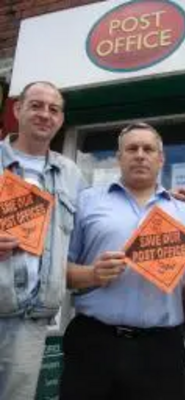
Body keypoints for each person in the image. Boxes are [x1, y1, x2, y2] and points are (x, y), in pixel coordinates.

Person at [59, 122, 185, 400]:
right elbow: (58, 272)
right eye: (131, 149)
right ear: (119, 157)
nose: (140, 155)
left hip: (160, 349)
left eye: (148, 149)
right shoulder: (86, 202)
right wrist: (93, 275)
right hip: (94, 343)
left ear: (161, 159)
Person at [0, 81, 84, 400]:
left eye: (53, 109)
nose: (45, 114)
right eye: (36, 105)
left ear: (61, 120)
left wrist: (162, 202)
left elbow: (98, 218)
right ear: (17, 109)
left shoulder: (71, 173)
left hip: (29, 323)